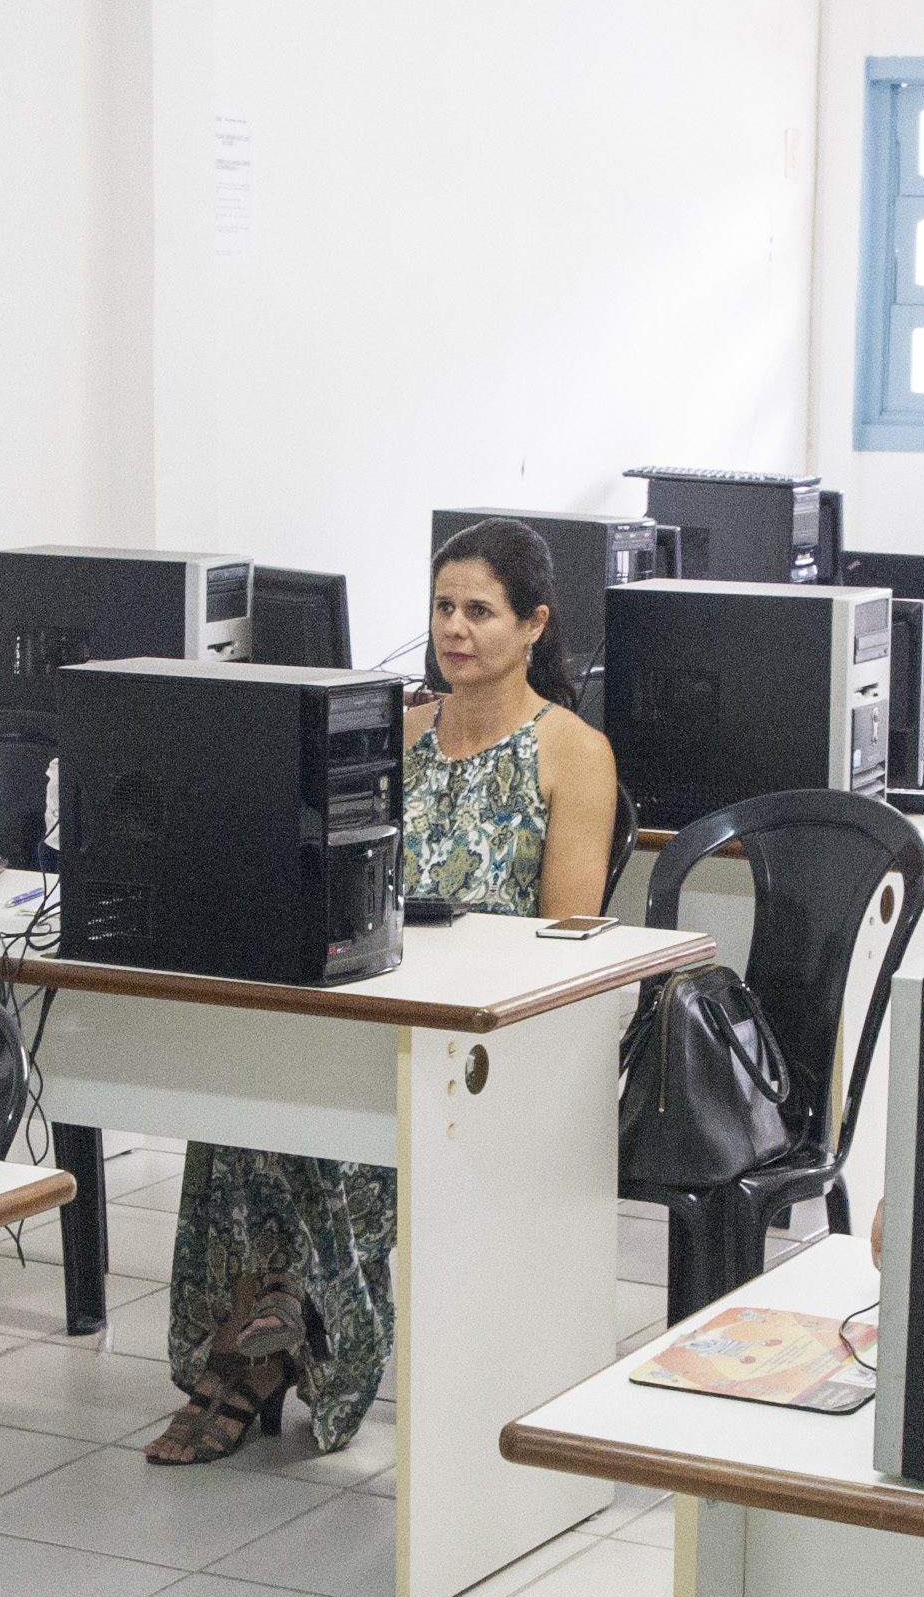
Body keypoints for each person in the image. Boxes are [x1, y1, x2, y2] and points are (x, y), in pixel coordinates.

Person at [147, 521, 622, 1466]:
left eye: (480, 611)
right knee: (241, 1099)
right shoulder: (393, 733)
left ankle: (256, 1352)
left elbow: (563, 943)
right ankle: (260, 1328)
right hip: (370, 1006)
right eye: (443, 607)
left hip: (477, 1045)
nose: (455, 628)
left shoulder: (572, 752)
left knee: (336, 1126)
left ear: (533, 626)